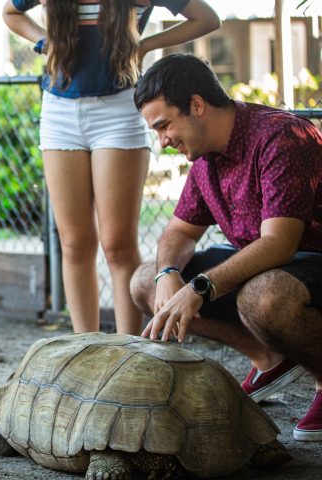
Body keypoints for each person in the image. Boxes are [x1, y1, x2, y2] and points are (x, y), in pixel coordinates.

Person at [130, 53, 322, 441]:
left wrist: (198, 288)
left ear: (197, 105)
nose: (162, 141)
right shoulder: (205, 157)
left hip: (310, 259)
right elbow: (178, 234)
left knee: (263, 297)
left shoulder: (279, 137)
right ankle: (268, 358)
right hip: (270, 265)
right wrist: (169, 275)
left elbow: (279, 244)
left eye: (164, 125)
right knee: (145, 282)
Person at [2, 0, 219, 334]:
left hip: (119, 110)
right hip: (60, 111)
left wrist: (144, 44)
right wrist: (44, 40)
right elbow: (11, 12)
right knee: (74, 243)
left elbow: (206, 18)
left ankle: (125, 350)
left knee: (117, 244)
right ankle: (85, 346)